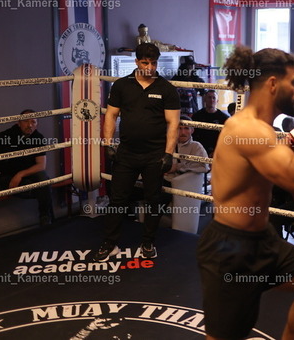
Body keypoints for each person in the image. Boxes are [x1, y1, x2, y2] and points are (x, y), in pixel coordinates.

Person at [197, 46, 294, 340]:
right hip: (230, 250)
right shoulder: (247, 129)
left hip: (261, 238)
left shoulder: (260, 128)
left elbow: (270, 157)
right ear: (272, 83)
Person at [94, 42, 181, 262]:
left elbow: (173, 123)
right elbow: (111, 115)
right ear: (136, 62)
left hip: (155, 155)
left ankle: (148, 242)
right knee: (117, 200)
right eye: (145, 63)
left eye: (153, 63)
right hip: (127, 153)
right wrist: (108, 144)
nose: (149, 67)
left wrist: (168, 153)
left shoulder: (166, 88)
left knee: (153, 200)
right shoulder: (122, 85)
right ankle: (110, 243)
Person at [0, 109, 53, 225]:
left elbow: (41, 165)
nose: (30, 125)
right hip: (7, 178)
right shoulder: (8, 135)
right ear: (18, 123)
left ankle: (45, 217)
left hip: (26, 176)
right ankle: (47, 216)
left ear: (37, 124)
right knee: (44, 188)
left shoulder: (38, 137)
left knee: (43, 179)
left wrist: (20, 174)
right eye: (26, 121)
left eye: (33, 122)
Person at [162, 115, 209, 234]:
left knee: (157, 197)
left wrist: (178, 167)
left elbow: (204, 167)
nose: (183, 132)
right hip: (165, 180)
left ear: (192, 130)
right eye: (179, 128)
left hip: (182, 184)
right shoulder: (168, 144)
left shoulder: (196, 146)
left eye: (186, 128)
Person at [192, 90, 230, 156]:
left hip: (217, 151)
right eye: (209, 97)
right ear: (205, 99)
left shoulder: (224, 118)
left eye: (214, 98)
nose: (211, 100)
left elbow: (226, 138)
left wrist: (217, 150)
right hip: (199, 150)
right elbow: (193, 134)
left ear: (217, 101)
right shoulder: (196, 116)